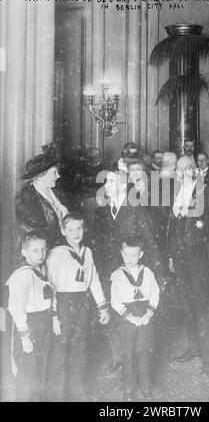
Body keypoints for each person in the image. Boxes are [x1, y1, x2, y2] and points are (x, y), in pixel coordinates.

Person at [92, 170, 164, 374]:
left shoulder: (136, 210)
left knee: (136, 316)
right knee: (113, 313)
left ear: (123, 186)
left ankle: (136, 359)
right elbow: (96, 245)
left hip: (133, 275)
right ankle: (118, 357)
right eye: (105, 182)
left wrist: (158, 274)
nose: (106, 186)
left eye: (111, 182)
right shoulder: (101, 212)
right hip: (109, 273)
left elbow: (150, 243)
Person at [168, 156, 209, 375]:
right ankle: (194, 348)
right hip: (181, 259)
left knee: (204, 306)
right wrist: (171, 256)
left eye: (188, 168)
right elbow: (172, 227)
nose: (183, 171)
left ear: (195, 170)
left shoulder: (208, 192)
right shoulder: (174, 193)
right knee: (187, 305)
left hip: (201, 258)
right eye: (180, 168)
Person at [46, 212, 110, 402]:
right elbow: (50, 288)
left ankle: (77, 394)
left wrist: (102, 307)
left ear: (84, 229)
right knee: (60, 351)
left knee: (79, 349)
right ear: (63, 231)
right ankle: (56, 396)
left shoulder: (87, 252)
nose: (75, 233)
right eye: (71, 229)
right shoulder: (56, 254)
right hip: (63, 304)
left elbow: (94, 281)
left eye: (79, 228)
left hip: (82, 303)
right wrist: (54, 316)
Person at [6, 231, 53, 401]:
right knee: (28, 372)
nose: (40, 254)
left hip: (43, 322)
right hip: (28, 325)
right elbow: (16, 308)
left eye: (43, 250)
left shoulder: (43, 271)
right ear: (24, 252)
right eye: (35, 250)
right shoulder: (22, 275)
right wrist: (25, 337)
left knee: (42, 369)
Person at [110, 239, 160, 402]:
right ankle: (128, 390)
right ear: (121, 254)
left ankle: (146, 388)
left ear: (141, 254)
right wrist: (130, 317)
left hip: (145, 315)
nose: (130, 258)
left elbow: (155, 294)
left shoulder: (148, 272)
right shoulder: (117, 275)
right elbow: (115, 301)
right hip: (127, 318)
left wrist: (148, 314)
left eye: (134, 255)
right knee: (128, 352)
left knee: (144, 351)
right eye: (127, 255)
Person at [14, 143, 69, 266]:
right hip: (41, 256)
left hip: (60, 251)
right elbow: (34, 234)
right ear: (40, 176)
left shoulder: (55, 191)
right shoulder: (27, 197)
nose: (58, 176)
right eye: (54, 173)